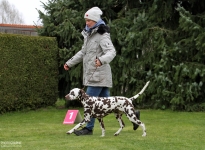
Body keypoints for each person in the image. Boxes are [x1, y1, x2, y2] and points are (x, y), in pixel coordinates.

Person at [64, 6, 140, 136]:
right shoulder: (88, 35)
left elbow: (111, 52)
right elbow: (83, 52)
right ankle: (134, 114)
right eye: (85, 20)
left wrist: (101, 60)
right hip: (97, 75)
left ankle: (88, 129)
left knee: (89, 104)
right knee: (109, 103)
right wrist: (69, 63)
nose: (86, 23)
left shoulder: (102, 35)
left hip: (98, 75)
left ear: (95, 20)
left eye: (89, 20)